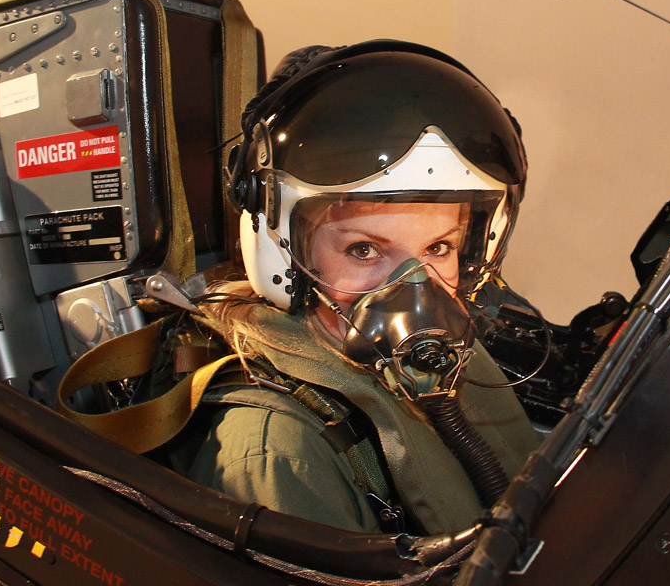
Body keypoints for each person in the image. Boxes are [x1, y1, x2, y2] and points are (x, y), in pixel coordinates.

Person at [180, 40, 540, 535]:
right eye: (364, 250)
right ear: (283, 252)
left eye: (439, 248)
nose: (416, 290)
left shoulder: (448, 363)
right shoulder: (280, 454)